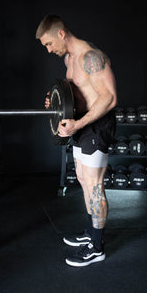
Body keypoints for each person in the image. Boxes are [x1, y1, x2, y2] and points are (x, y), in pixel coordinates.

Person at [36, 14, 117, 267]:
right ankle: (91, 233)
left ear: (61, 34)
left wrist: (78, 125)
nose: (49, 50)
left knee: (94, 185)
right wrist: (56, 102)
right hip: (80, 126)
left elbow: (110, 98)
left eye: (49, 44)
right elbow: (74, 94)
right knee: (82, 179)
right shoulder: (69, 58)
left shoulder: (90, 57)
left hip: (95, 126)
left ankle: (97, 247)